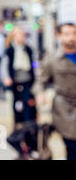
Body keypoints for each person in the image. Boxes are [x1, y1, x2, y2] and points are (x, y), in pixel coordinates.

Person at [36, 23, 76, 160]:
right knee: (72, 145)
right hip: (64, 108)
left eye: (74, 33)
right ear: (58, 36)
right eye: (66, 34)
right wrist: (40, 94)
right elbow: (41, 81)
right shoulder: (52, 59)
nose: (71, 37)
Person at [0, 27, 37, 125]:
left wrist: (36, 72)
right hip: (15, 81)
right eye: (18, 35)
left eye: (22, 35)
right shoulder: (9, 50)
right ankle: (18, 121)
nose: (21, 37)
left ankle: (28, 121)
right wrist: (6, 77)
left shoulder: (28, 49)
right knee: (17, 102)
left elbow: (34, 63)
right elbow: (4, 65)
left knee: (28, 101)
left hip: (27, 80)